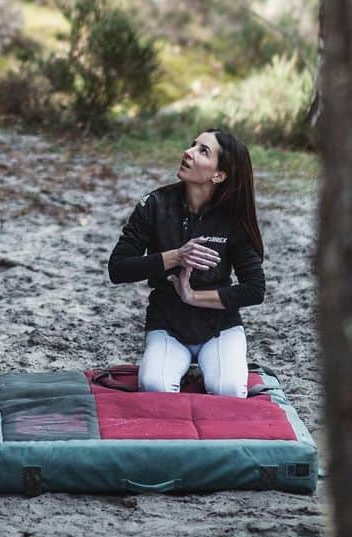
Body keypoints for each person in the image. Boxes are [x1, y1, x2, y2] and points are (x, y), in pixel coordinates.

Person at [107, 129, 265, 398]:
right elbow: (118, 268)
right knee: (155, 388)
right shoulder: (154, 204)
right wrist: (176, 256)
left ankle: (205, 370)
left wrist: (192, 296)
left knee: (227, 391)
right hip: (167, 324)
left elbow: (254, 290)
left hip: (219, 328)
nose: (188, 153)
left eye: (202, 151)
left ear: (219, 175)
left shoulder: (233, 219)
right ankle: (182, 368)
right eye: (192, 145)